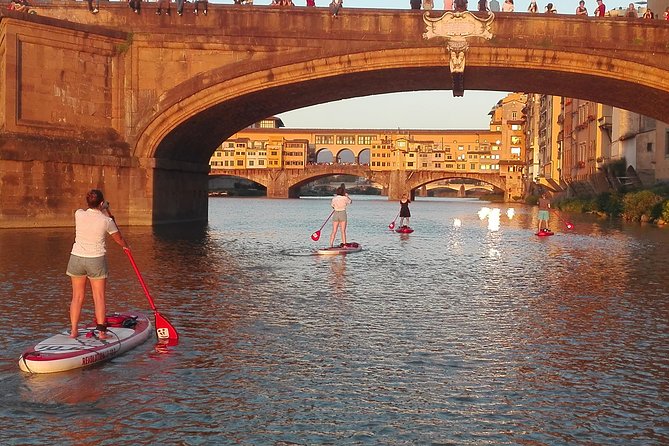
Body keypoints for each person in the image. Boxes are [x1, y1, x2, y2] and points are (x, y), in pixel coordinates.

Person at [66, 190, 128, 340]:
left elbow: (91, 210)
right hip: (96, 260)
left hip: (76, 259)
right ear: (101, 203)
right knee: (98, 296)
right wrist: (126, 247)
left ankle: (74, 331)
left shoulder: (78, 214)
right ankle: (101, 332)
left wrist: (102, 207)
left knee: (77, 296)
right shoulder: (107, 221)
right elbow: (118, 237)